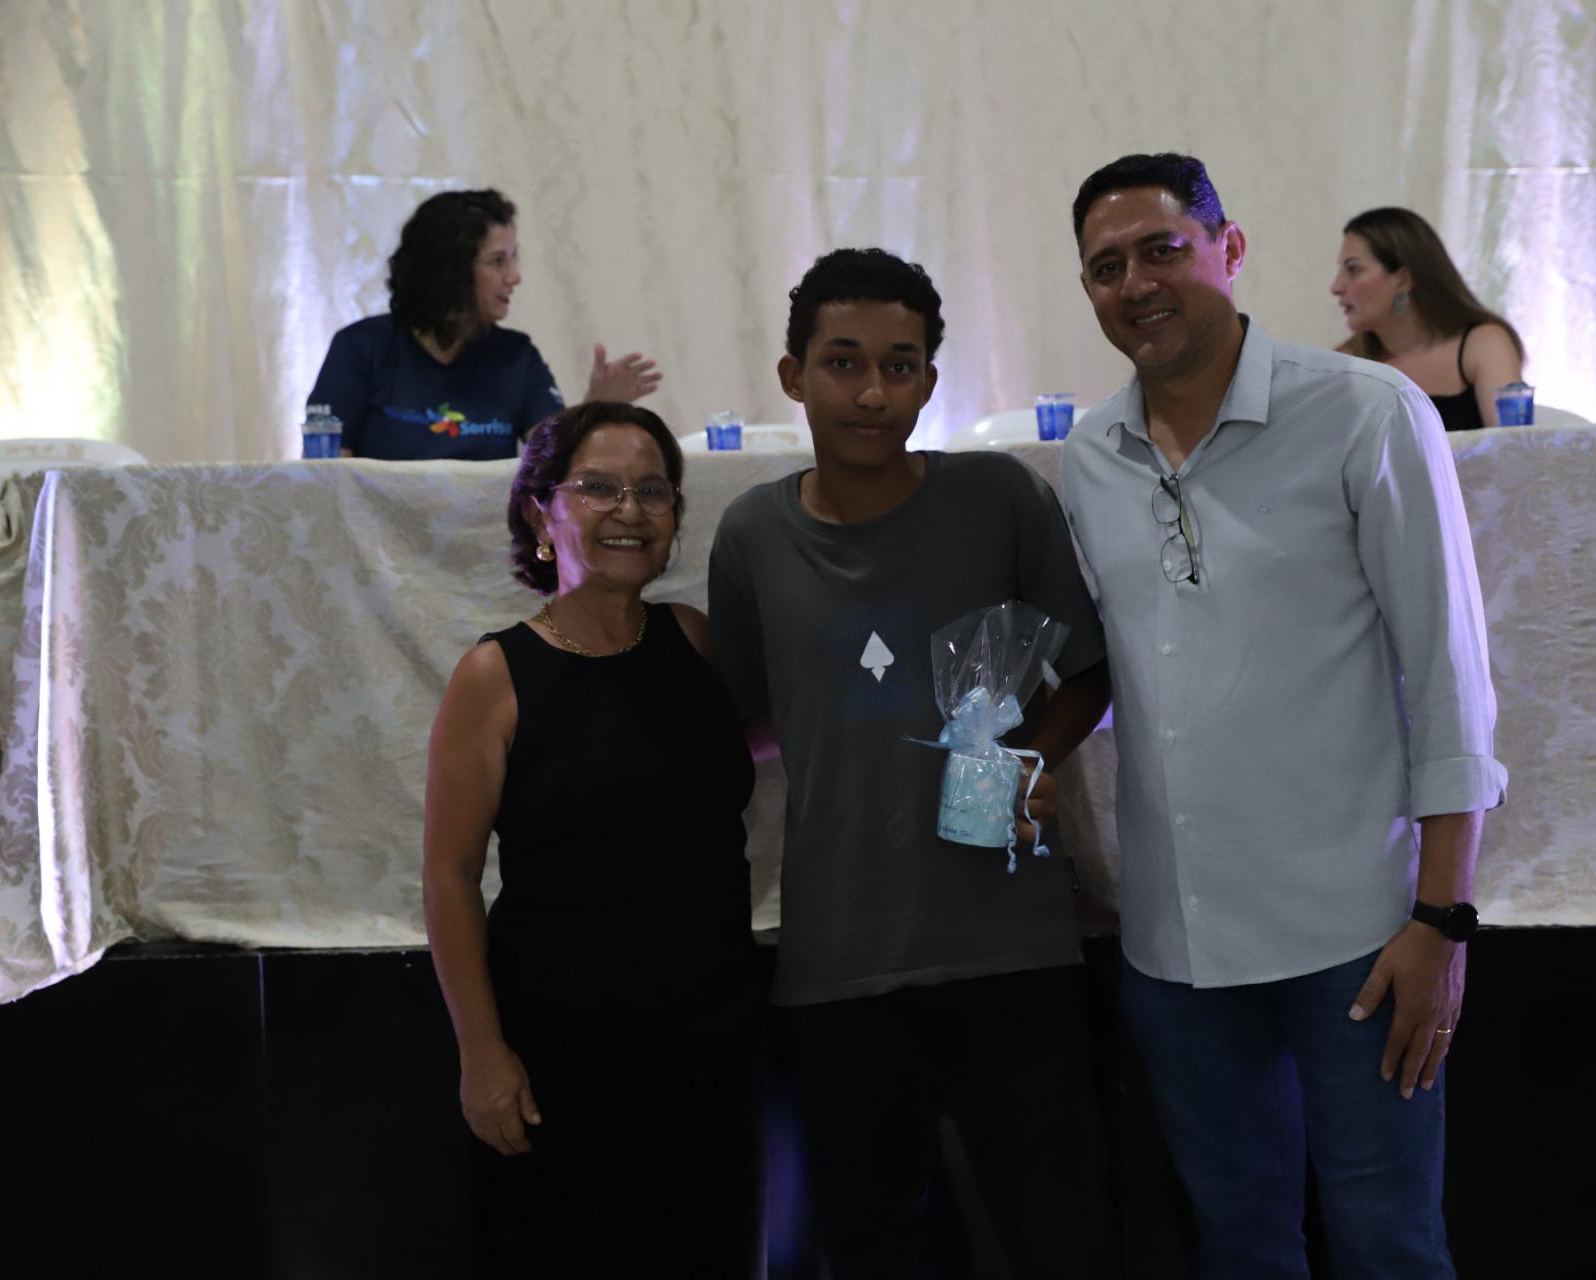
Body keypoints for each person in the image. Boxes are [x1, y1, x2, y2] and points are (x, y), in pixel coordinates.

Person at [1061, 152, 1508, 1277]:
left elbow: (1450, 676)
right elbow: (1122, 667)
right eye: (1107, 266)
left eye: (1163, 249)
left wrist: (1442, 919)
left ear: (1229, 248)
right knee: (1239, 1247)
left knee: (1388, 1245)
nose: (1136, 283)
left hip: (1356, 931)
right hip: (1175, 941)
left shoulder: (1364, 411)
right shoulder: (1089, 455)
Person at [707, 248, 1119, 1278]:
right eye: (843, 362)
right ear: (793, 374)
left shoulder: (999, 496)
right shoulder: (752, 533)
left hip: (1012, 948)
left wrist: (1028, 759)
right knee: (874, 1248)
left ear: (932, 379)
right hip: (838, 958)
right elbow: (750, 722)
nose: (873, 392)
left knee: (1058, 1241)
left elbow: (1088, 674)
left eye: (900, 365)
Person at [422, 401, 761, 1276]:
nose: (630, 511)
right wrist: (481, 1053)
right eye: (599, 488)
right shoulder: (495, 675)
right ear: (542, 514)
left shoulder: (693, 640)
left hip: (709, 1042)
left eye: (653, 490)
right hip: (560, 1058)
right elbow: (450, 876)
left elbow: (737, 752)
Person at [307, 189, 662, 460]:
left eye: (514, 258)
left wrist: (596, 406)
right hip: (378, 537)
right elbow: (326, 478)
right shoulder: (361, 348)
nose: (515, 276)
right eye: (497, 261)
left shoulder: (516, 355)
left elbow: (553, 461)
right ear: (450, 270)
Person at [1331, 206, 1526, 430]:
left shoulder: (1484, 344)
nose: (1336, 287)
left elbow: (1511, 445)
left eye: (1353, 269)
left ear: (1403, 280)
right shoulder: (1346, 364)